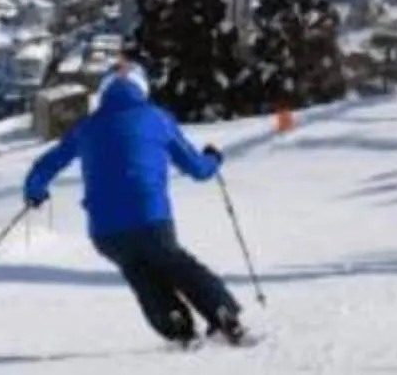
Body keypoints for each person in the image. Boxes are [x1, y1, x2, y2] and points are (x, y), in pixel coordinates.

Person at [24, 61, 248, 348]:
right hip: (150, 218)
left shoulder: (87, 127)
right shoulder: (156, 119)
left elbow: (48, 163)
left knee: (140, 273)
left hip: (105, 231)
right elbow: (197, 169)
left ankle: (177, 327)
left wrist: (35, 190)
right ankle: (222, 313)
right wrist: (214, 159)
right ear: (142, 88)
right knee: (177, 264)